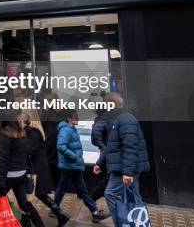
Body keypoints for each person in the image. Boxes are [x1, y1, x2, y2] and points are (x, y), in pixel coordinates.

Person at [93, 93, 150, 227]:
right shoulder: (118, 119)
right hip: (124, 167)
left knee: (111, 194)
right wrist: (100, 163)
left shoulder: (125, 119)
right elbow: (112, 145)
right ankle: (135, 223)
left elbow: (130, 146)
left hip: (124, 168)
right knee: (133, 197)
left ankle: (124, 223)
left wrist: (128, 172)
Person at [55, 110, 110, 223]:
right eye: (76, 116)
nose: (79, 118)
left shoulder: (71, 129)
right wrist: (74, 157)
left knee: (81, 189)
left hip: (74, 165)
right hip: (69, 165)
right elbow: (60, 146)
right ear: (69, 118)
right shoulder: (65, 130)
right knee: (63, 187)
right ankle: (54, 208)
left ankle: (95, 213)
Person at [0, 115, 45, 227]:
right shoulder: (22, 133)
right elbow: (26, 155)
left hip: (9, 176)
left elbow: (3, 160)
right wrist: (27, 171)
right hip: (21, 174)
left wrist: (0, 182)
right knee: (25, 204)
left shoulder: (5, 134)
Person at [22, 111, 70, 227]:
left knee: (27, 195)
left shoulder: (32, 132)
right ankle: (60, 214)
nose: (20, 119)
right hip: (37, 168)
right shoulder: (34, 131)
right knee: (37, 194)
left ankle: (60, 215)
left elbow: (29, 152)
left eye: (22, 116)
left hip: (35, 169)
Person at [40, 92, 61, 186]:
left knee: (55, 165)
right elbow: (42, 128)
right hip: (50, 143)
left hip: (57, 143)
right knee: (50, 165)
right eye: (46, 101)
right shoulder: (46, 113)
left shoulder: (60, 112)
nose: (47, 102)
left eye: (49, 100)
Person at [90, 107, 110, 202]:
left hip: (106, 152)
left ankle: (91, 199)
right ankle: (91, 199)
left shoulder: (100, 119)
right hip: (107, 152)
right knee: (109, 178)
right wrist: (103, 147)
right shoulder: (103, 119)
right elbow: (95, 132)